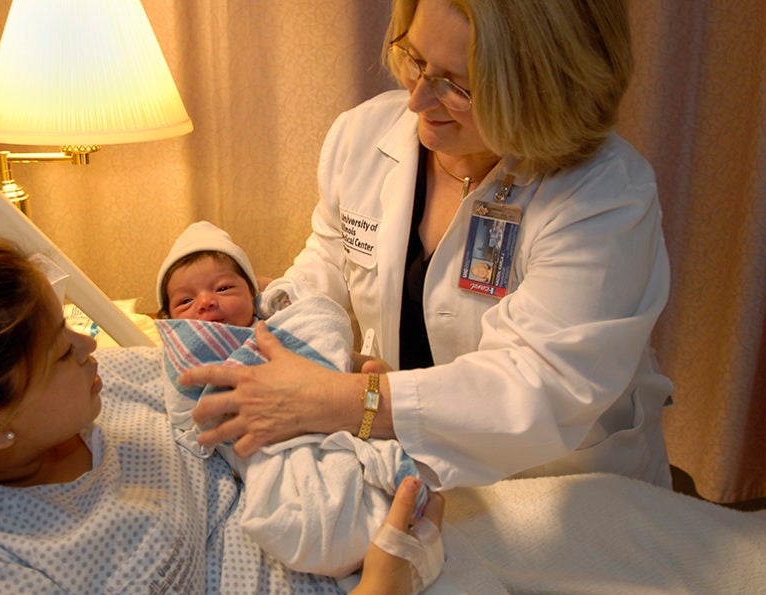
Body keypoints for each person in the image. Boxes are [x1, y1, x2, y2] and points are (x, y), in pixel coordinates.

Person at [0, 237, 445, 594]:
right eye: (60, 350)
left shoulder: (112, 388)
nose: (89, 345)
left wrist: (342, 393)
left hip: (353, 518)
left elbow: (249, 390)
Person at [182, 0, 674, 493]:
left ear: (544, 90)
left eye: (459, 86)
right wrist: (272, 312)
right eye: (416, 60)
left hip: (562, 486)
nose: (416, 100)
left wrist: (346, 399)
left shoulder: (603, 194)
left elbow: (536, 387)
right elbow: (333, 255)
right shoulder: (364, 136)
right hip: (409, 471)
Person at [155, 221, 432, 578]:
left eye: (223, 287)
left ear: (253, 292)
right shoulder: (184, 349)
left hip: (330, 416)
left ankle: (384, 521)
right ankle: (372, 541)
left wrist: (288, 303)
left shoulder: (281, 324)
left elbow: (319, 325)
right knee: (299, 507)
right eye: (186, 300)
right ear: (169, 319)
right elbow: (187, 413)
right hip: (266, 446)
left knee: (355, 456)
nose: (207, 302)